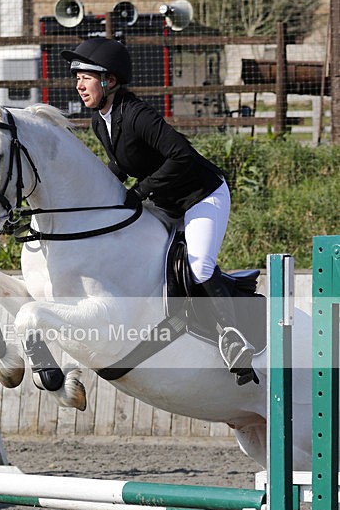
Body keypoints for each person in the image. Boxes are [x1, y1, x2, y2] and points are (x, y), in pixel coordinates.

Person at [61, 38, 257, 386]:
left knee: (199, 265)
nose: (78, 84)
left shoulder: (137, 114)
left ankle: (234, 336)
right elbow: (121, 164)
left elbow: (181, 155)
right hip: (166, 201)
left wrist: (140, 191)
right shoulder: (99, 120)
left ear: (110, 80)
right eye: (77, 77)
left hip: (202, 196)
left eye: (86, 77)